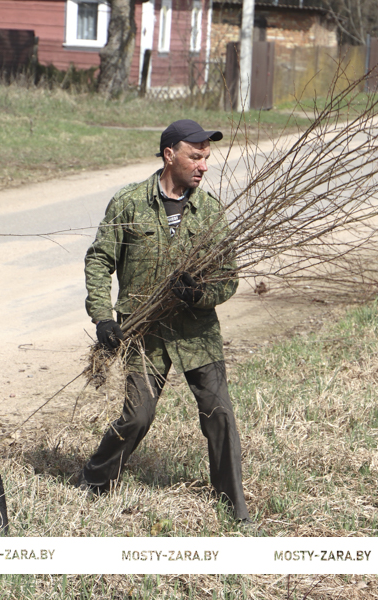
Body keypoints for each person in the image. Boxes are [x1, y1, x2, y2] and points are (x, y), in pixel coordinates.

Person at [78, 119, 249, 522]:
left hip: (196, 332)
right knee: (138, 416)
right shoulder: (129, 202)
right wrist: (103, 318)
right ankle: (95, 478)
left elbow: (229, 277)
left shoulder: (210, 212)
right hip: (144, 333)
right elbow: (99, 259)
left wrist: (199, 294)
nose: (203, 165)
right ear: (169, 155)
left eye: (206, 158)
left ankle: (233, 505)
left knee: (220, 413)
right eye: (195, 156)